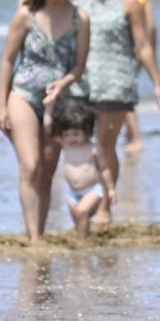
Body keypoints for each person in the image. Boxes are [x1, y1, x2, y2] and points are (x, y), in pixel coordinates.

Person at [0, 0, 90, 242]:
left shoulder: (80, 19)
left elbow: (79, 65)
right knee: (30, 165)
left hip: (58, 100)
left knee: (48, 170)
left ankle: (40, 229)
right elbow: (7, 60)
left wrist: (64, 83)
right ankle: (34, 237)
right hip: (23, 94)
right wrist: (1, 105)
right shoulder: (26, 14)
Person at [76, 0, 160, 224]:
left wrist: (157, 83)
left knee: (106, 145)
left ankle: (105, 206)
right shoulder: (78, 0)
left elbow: (142, 44)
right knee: (80, 145)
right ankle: (84, 200)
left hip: (117, 81)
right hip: (82, 80)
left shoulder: (129, 1)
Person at [52, 98, 114, 239]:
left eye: (75, 134)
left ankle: (83, 244)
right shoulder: (66, 146)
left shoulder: (93, 148)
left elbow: (104, 168)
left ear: (86, 131)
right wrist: (50, 108)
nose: (71, 138)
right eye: (67, 135)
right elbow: (49, 128)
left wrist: (110, 189)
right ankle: (87, 237)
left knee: (81, 212)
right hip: (72, 192)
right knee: (78, 219)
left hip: (92, 190)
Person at [120, 0, 157, 154]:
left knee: (125, 92)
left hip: (130, 48)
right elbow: (152, 26)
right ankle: (130, 134)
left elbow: (151, 25)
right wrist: (153, 50)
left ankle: (135, 137)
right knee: (129, 89)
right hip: (141, 46)